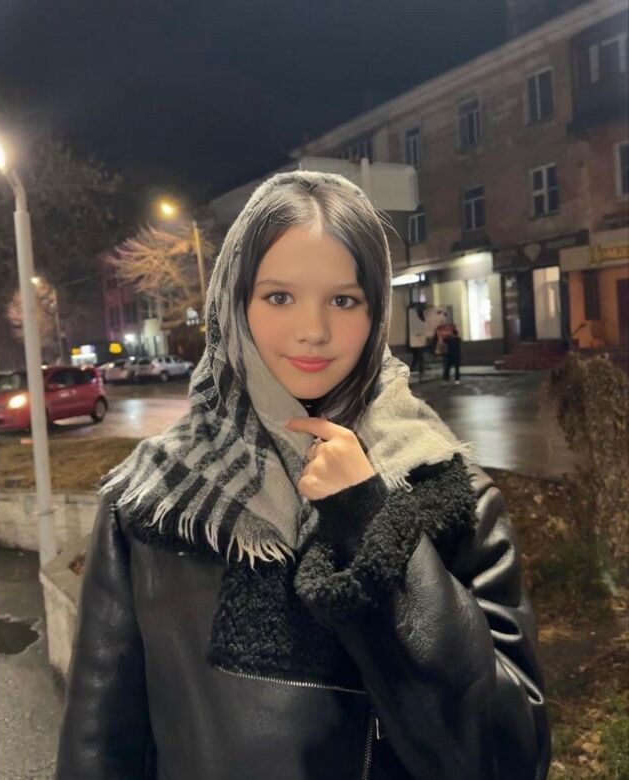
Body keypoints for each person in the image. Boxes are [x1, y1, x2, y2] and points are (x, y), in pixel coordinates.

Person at [55, 171, 550, 780]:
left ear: (376, 313)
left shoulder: (449, 494)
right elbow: (101, 744)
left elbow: (509, 757)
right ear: (234, 304)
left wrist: (370, 518)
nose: (313, 330)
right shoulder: (154, 499)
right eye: (279, 297)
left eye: (343, 300)